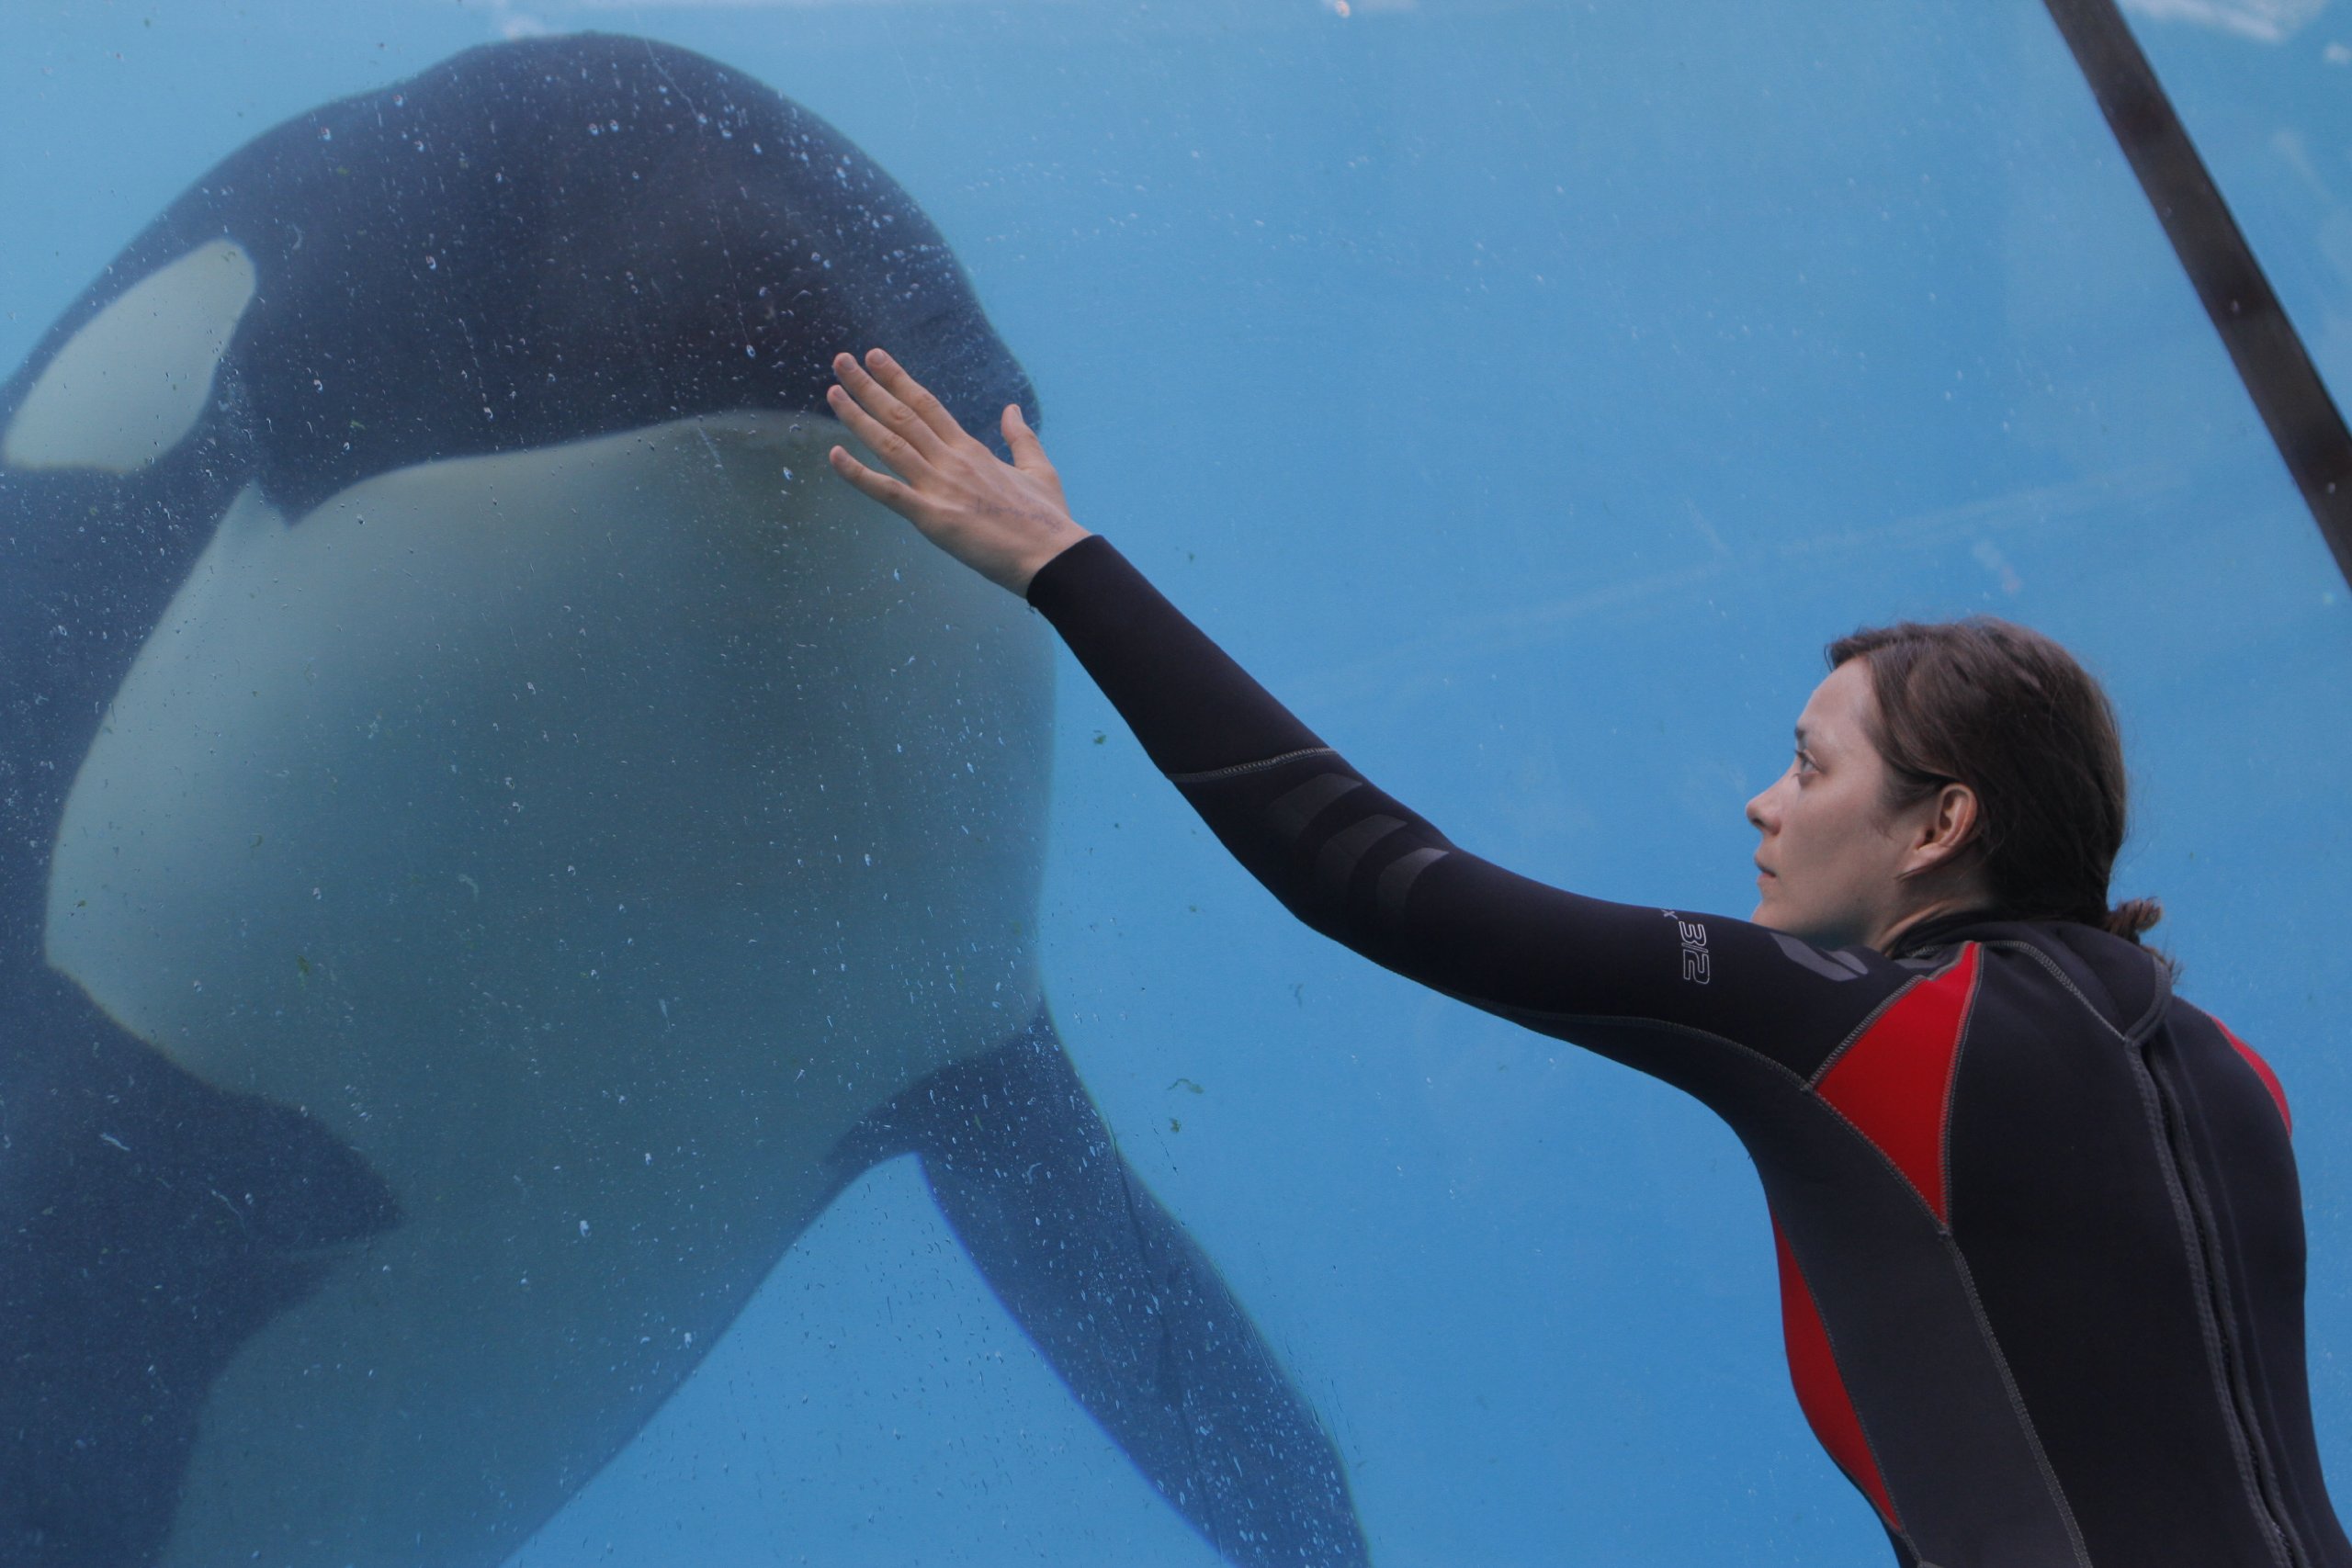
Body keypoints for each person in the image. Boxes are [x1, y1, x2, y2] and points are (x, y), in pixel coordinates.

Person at [823, 347, 2350, 1568]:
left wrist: (1063, 563)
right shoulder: (2237, 1078)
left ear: (1941, 824)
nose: (1762, 803)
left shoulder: (1876, 1036)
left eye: (1810, 768)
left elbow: (1381, 879)